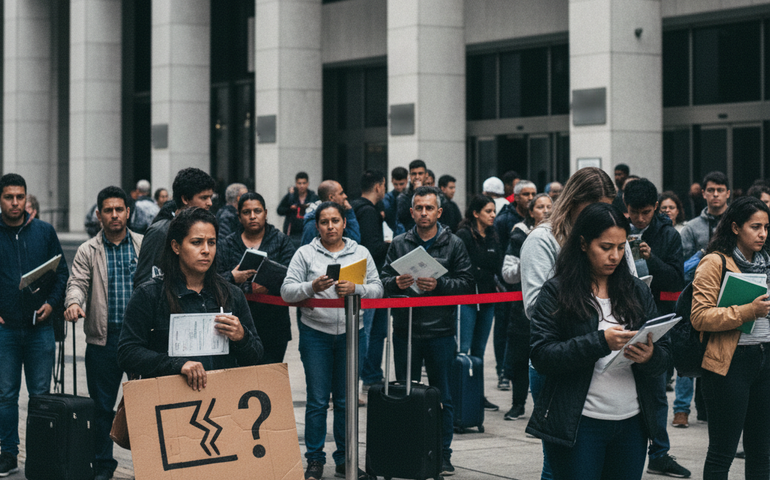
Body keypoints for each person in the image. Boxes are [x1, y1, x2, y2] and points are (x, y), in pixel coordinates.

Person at [526, 202, 671, 480]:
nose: (614, 256)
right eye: (605, 247)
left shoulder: (636, 290)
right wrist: (600, 341)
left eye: (620, 247)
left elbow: (665, 355)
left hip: (632, 424)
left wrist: (650, 355)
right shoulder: (557, 291)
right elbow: (542, 355)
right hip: (580, 424)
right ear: (583, 244)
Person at [520, 166, 620, 480]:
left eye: (608, 208)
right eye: (594, 209)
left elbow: (627, 284)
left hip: (609, 362)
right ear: (573, 202)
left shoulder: (610, 235)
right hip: (559, 360)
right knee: (559, 466)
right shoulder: (543, 239)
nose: (601, 216)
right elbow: (535, 306)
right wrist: (587, 297)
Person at [281, 201, 383, 480]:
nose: (330, 227)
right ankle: (314, 459)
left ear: (344, 223)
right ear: (317, 226)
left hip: (353, 332)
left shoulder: (360, 252)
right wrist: (311, 286)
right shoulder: (305, 254)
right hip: (316, 334)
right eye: (324, 222)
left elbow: (378, 289)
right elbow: (287, 291)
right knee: (316, 400)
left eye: (335, 221)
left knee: (345, 400)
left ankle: (345, 459)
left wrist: (356, 288)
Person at [381, 186, 474, 476]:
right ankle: (410, 450)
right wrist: (395, 283)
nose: (424, 213)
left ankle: (443, 454)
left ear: (439, 212)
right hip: (405, 330)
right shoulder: (398, 243)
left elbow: (468, 283)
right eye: (418, 208)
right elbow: (382, 281)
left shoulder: (454, 243)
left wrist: (442, 285)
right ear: (411, 212)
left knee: (443, 396)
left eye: (429, 208)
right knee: (406, 394)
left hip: (441, 332)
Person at [118, 207, 263, 387]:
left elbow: (255, 356)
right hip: (167, 402)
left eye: (211, 242)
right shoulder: (149, 294)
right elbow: (127, 352)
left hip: (220, 401)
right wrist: (178, 365)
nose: (206, 250)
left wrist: (242, 336)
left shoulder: (231, 294)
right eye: (196, 242)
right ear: (176, 246)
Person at [63, 186, 142, 480]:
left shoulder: (142, 245)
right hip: (102, 340)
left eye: (119, 209)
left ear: (128, 212)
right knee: (102, 409)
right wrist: (73, 303)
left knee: (143, 405)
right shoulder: (88, 250)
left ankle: (147, 466)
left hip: (138, 340)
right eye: (108, 210)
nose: (114, 215)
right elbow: (77, 283)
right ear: (99, 215)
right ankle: (103, 466)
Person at [690, 195, 770, 479]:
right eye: (755, 227)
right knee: (722, 452)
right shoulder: (715, 262)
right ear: (735, 227)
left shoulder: (767, 262)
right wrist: (749, 311)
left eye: (766, 227)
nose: (762, 234)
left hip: (765, 359)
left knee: (762, 452)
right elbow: (699, 316)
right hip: (728, 364)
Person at [0, 173, 69, 477]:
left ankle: (39, 456)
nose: (15, 203)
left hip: (40, 328)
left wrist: (52, 305)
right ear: (0, 199)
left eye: (20, 196)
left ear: (27, 198)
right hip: (6, 330)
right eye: (9, 197)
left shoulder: (44, 231)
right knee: (5, 395)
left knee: (40, 396)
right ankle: (8, 454)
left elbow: (61, 274)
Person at [623, 179, 690, 478]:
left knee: (656, 388)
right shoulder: (616, 226)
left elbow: (677, 279)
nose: (640, 218)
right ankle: (627, 447)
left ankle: (659, 452)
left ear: (655, 208)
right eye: (635, 212)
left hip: (656, 320)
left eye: (646, 212)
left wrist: (653, 259)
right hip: (621, 317)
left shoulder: (667, 234)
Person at [218, 192, 296, 364]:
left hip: (274, 324)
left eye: (257, 211)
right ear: (239, 216)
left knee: (270, 381)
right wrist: (234, 278)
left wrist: (268, 284)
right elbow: (215, 278)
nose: (252, 216)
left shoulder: (281, 240)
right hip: (238, 323)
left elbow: (293, 275)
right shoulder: (227, 244)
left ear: (265, 213)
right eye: (246, 212)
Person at [501, 193, 552, 420]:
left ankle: (543, 410)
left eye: (549, 206)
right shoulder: (519, 235)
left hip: (552, 307)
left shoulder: (559, 234)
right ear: (531, 212)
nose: (545, 210)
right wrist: (530, 259)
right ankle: (518, 403)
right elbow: (507, 274)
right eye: (540, 207)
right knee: (520, 358)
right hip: (523, 308)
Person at [455, 194, 503, 412]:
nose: (493, 215)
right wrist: (481, 270)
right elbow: (464, 266)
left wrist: (482, 270)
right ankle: (460, 393)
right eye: (488, 211)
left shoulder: (493, 234)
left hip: (488, 298)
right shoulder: (463, 235)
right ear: (475, 213)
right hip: (467, 298)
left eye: (494, 211)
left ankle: (477, 394)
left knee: (480, 350)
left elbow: (496, 264)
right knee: (463, 349)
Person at [133, 167, 215, 288]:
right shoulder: (160, 232)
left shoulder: (209, 229)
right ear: (185, 199)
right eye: (204, 198)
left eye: (210, 197)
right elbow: (143, 283)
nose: (209, 203)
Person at [493, 179, 536, 389]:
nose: (530, 198)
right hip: (507, 286)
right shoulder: (504, 221)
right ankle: (503, 371)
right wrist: (500, 281)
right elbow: (500, 250)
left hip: (527, 290)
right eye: (526, 194)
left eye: (533, 194)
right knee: (504, 331)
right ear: (516, 197)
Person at [351, 171, 390, 403]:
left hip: (361, 279)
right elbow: (372, 246)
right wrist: (392, 244)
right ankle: (368, 377)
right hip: (369, 279)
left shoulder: (355, 207)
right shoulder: (367, 211)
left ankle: (371, 376)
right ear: (378, 187)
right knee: (371, 332)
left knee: (374, 331)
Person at [301, 180, 360, 245]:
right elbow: (306, 251)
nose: (345, 196)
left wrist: (349, 212)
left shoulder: (341, 213)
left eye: (335, 221)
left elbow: (353, 243)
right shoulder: (312, 224)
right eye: (341, 193)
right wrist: (349, 214)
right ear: (331, 197)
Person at [277, 172, 319, 248]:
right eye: (299, 183)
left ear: (308, 183)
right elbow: (279, 210)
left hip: (308, 231)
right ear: (296, 183)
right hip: (292, 232)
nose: (301, 186)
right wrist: (290, 209)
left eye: (304, 183)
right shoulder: (291, 196)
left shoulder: (313, 197)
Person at [396, 159, 428, 231]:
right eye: (414, 174)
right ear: (410, 175)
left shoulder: (434, 194)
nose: (417, 177)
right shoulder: (403, 196)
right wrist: (416, 193)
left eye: (420, 173)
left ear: (426, 175)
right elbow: (402, 218)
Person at [383, 166, 408, 235]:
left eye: (401, 184)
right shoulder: (387, 199)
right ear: (392, 180)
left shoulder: (412, 197)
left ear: (407, 180)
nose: (398, 187)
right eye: (395, 184)